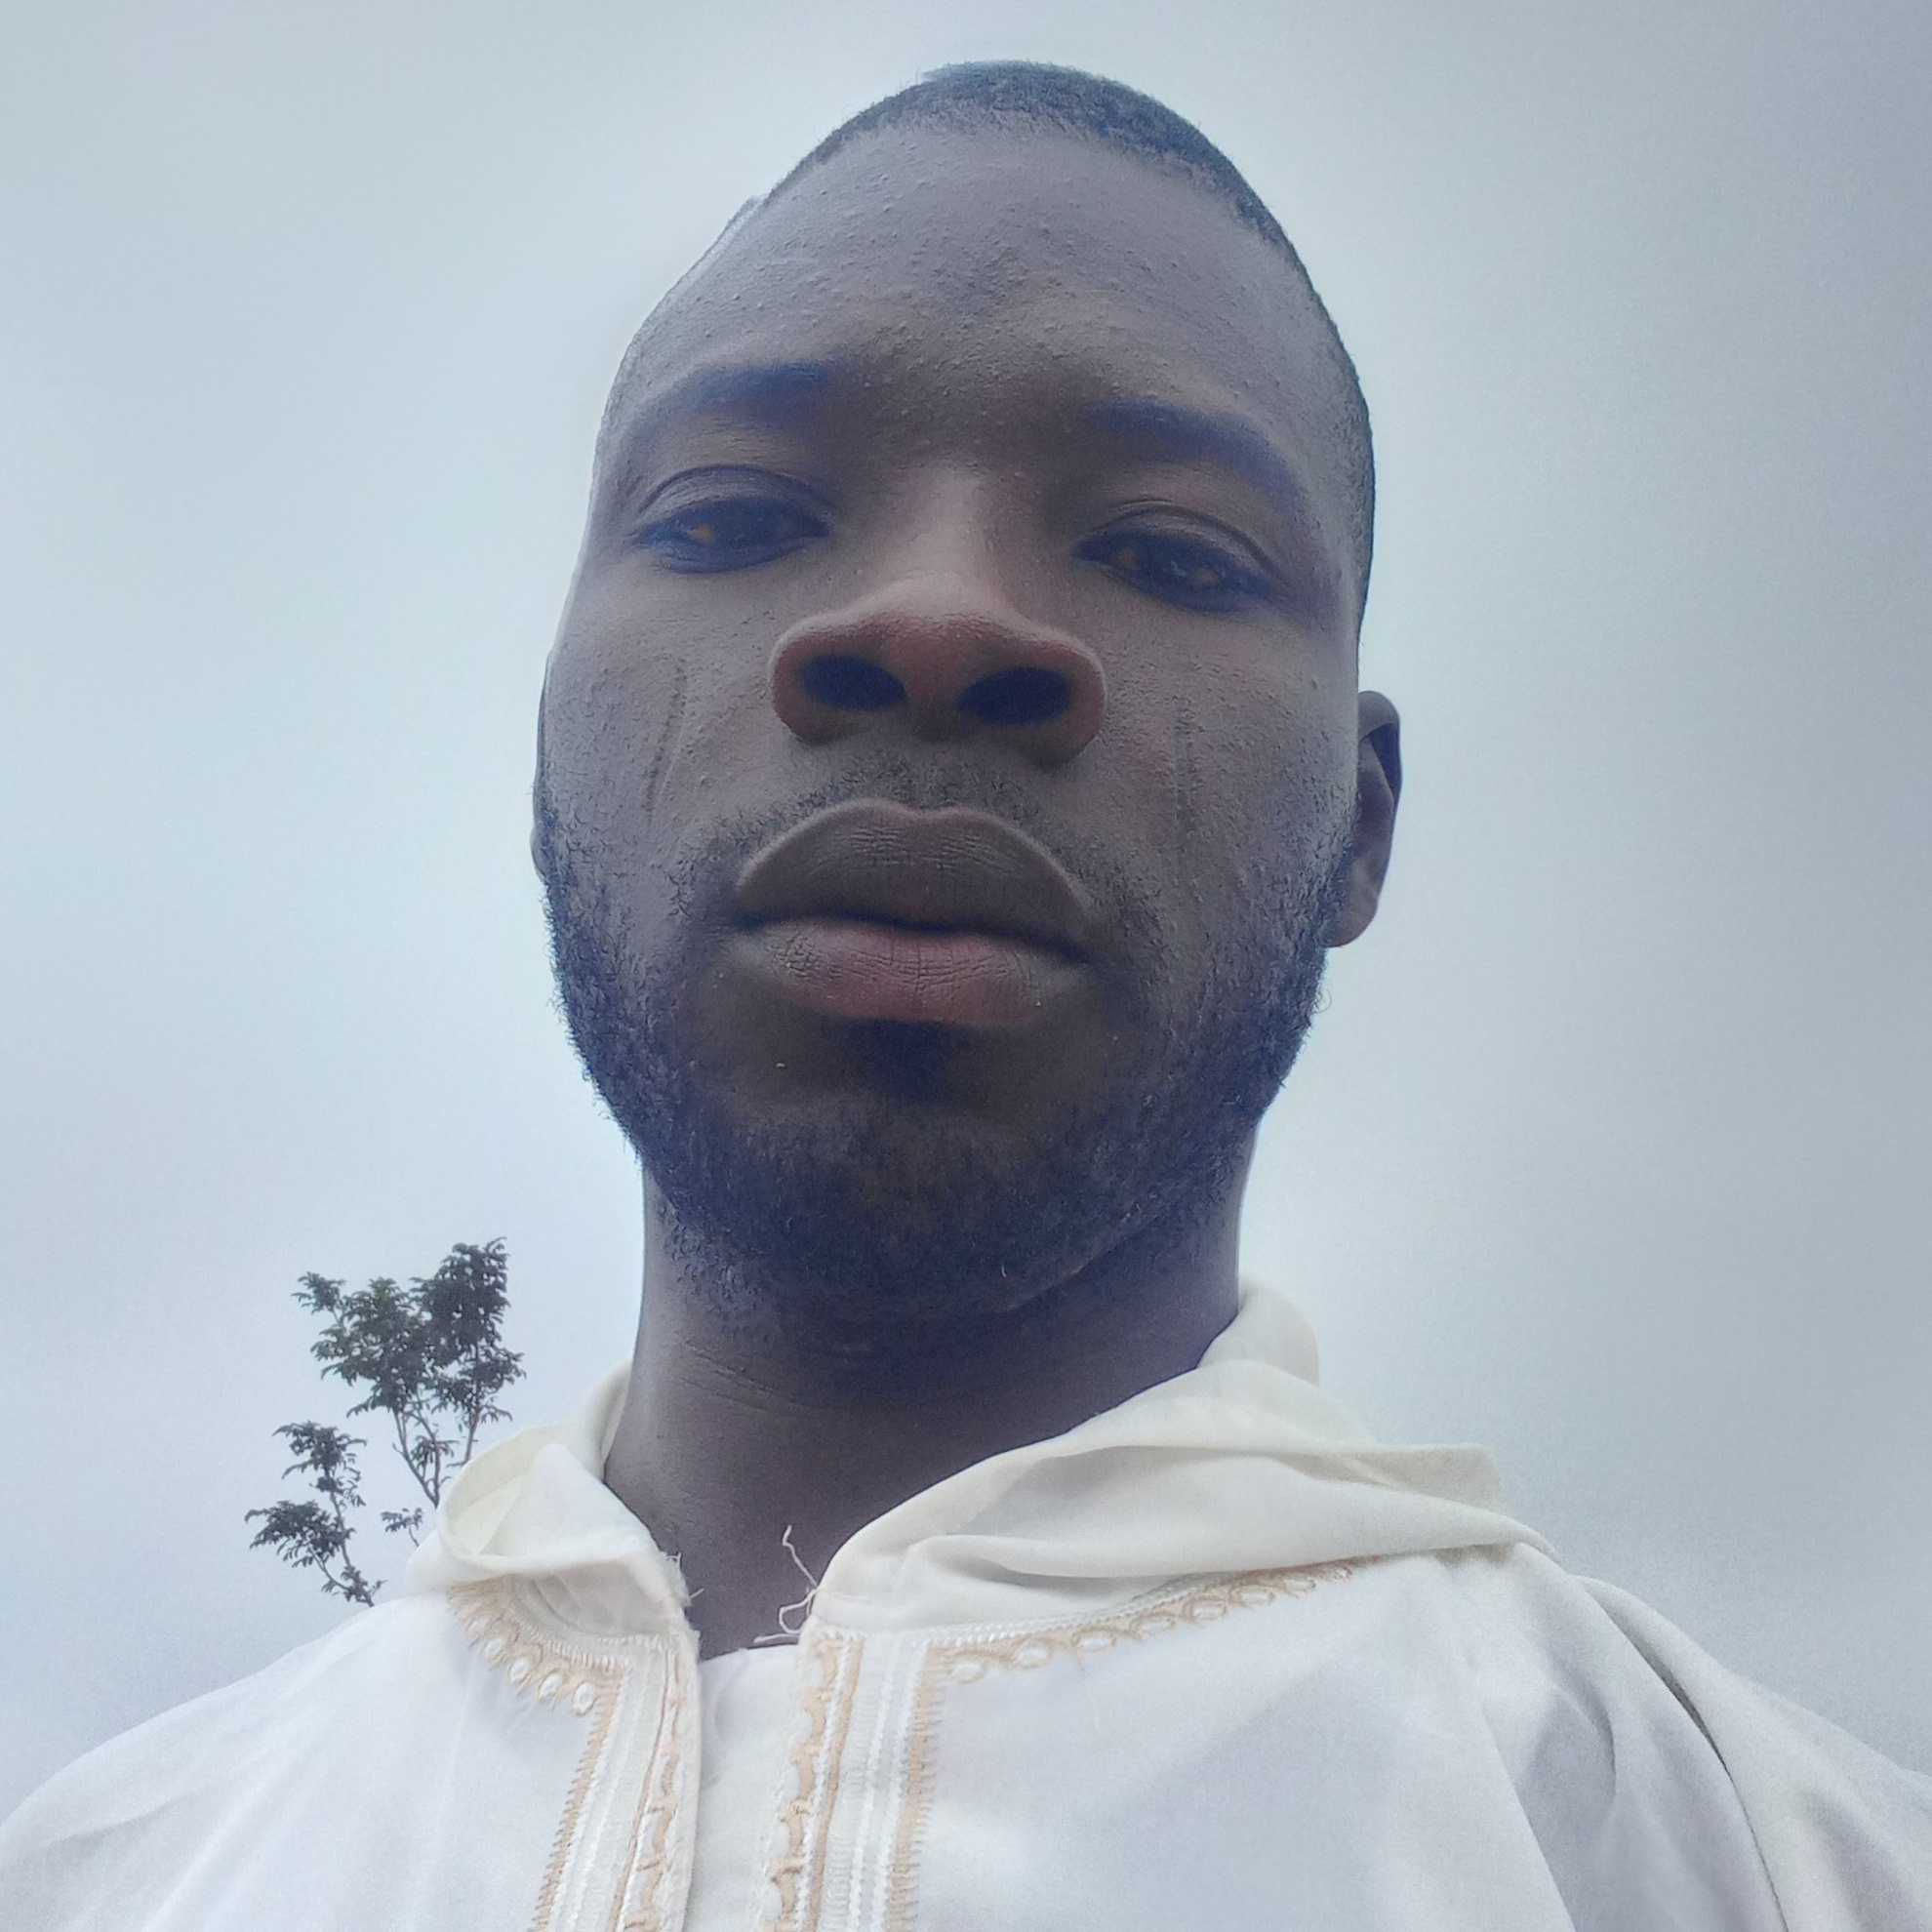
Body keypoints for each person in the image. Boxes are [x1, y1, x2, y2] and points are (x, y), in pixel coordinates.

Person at [4, 58, 1927, 1932]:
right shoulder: (104, 1873)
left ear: (1359, 824)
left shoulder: (1788, 1869)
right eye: (734, 516)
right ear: (546, 762)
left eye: (1168, 549)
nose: (937, 619)